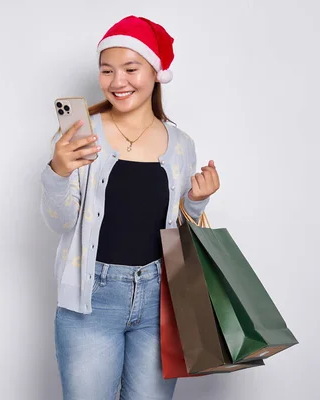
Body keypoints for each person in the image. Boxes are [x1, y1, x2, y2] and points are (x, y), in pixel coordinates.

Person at [40, 15, 220, 400]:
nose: (117, 82)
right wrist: (58, 172)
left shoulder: (181, 144)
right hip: (91, 301)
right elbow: (61, 221)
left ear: (155, 72)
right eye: (107, 71)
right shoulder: (81, 134)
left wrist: (197, 199)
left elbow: (178, 229)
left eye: (130, 69)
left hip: (160, 300)